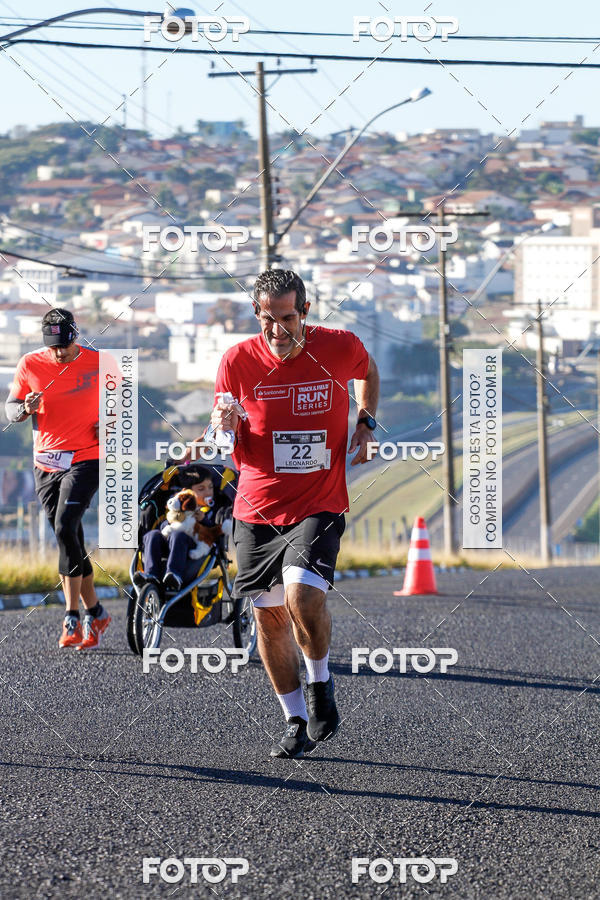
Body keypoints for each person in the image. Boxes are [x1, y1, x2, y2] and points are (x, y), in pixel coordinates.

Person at [207, 269, 380, 758]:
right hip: (257, 504)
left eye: (287, 318)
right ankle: (294, 719)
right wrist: (222, 424)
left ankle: (321, 685)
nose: (278, 332)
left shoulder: (339, 347)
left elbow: (368, 372)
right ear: (257, 315)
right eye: (268, 320)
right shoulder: (237, 360)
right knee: (269, 619)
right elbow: (222, 436)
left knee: (302, 595)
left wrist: (365, 422)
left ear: (305, 311)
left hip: (317, 501)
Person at [4, 308, 110, 650]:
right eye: (52, 347)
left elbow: (123, 405)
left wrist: (110, 420)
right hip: (46, 461)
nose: (58, 353)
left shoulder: (100, 362)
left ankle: (72, 616)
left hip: (87, 456)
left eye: (64, 346)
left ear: (75, 336)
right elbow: (11, 408)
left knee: (65, 526)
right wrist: (25, 409)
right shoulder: (30, 363)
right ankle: (97, 611)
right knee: (70, 536)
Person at [134, 468, 218, 592]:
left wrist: (204, 520)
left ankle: (174, 575)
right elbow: (163, 527)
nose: (208, 492)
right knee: (152, 535)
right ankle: (151, 574)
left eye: (210, 487)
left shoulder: (210, 512)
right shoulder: (175, 507)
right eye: (201, 489)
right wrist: (172, 522)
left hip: (194, 548)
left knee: (178, 535)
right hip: (168, 545)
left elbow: (214, 533)